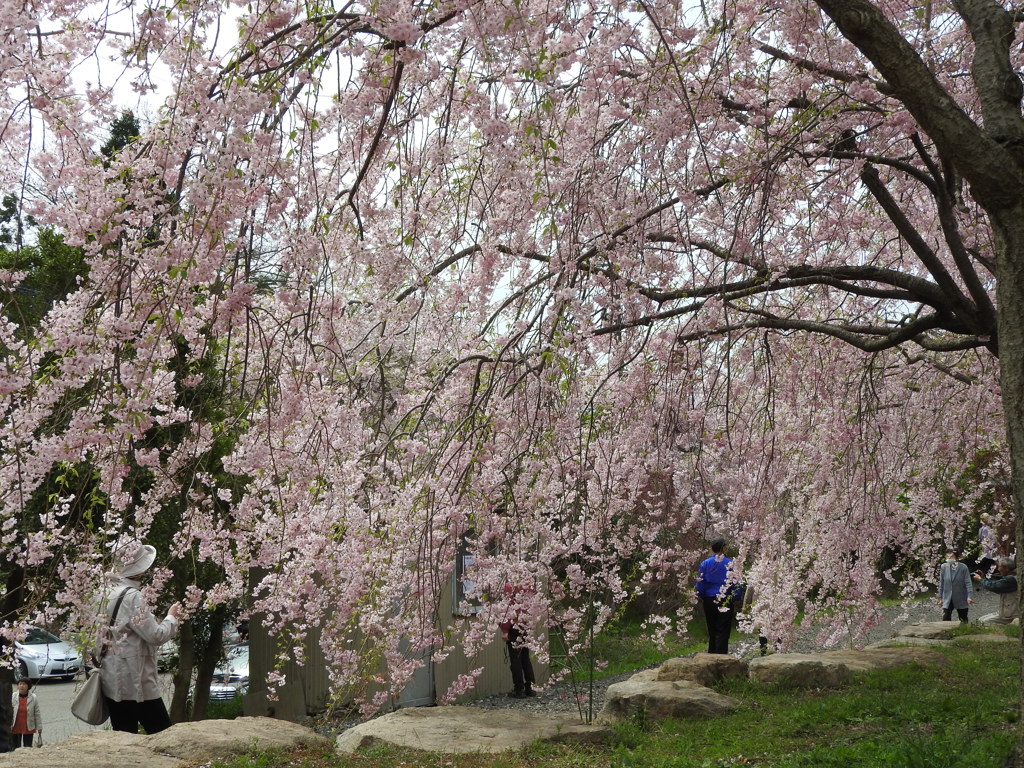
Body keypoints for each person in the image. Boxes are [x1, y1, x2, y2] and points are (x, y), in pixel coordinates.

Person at [94, 539, 182, 734]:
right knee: (162, 733)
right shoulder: (132, 596)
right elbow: (156, 635)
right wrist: (172, 617)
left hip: (111, 679)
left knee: (124, 735)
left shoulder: (104, 592)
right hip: (136, 681)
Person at [696, 537, 739, 654]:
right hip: (725, 598)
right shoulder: (730, 563)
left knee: (712, 628)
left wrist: (702, 595)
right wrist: (735, 597)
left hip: (709, 599)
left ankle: (712, 653)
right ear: (723, 548)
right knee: (723, 629)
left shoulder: (705, 563)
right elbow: (736, 582)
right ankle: (721, 655)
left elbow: (700, 582)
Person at [498, 583, 536, 699]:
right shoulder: (528, 584)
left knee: (516, 659)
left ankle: (519, 689)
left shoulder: (510, 586)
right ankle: (529, 687)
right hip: (525, 625)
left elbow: (507, 610)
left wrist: (505, 629)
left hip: (514, 626)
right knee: (525, 657)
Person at [973, 557, 1020, 625]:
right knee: (980, 620)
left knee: (982, 622)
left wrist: (980, 579)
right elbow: (998, 586)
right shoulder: (1014, 575)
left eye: (1000, 567)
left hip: (1011, 614)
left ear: (1006, 568)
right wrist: (983, 578)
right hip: (1008, 611)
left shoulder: (1011, 579)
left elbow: (994, 586)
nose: (998, 569)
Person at [938, 552, 973, 622]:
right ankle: (946, 632)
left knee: (963, 617)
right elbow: (941, 583)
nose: (949, 558)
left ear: (956, 557)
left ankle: (964, 631)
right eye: (947, 556)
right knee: (946, 617)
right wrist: (940, 597)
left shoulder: (963, 567)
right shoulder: (943, 567)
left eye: (952, 556)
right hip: (947, 596)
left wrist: (969, 596)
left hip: (961, 596)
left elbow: (968, 582)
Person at [9, 679, 40, 749]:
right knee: (15, 747)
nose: (22, 686)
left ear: (28, 686)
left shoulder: (33, 697)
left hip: (28, 726)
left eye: (24, 684)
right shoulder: (13, 696)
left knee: (28, 747)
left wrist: (39, 727)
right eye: (20, 684)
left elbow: (37, 713)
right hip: (16, 726)